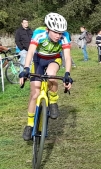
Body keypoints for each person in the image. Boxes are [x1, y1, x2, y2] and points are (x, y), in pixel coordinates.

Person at [19, 12, 73, 141]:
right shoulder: (39, 33)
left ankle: (53, 100)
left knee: (51, 75)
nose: (59, 36)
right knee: (34, 93)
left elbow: (67, 56)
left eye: (61, 33)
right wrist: (26, 69)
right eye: (56, 32)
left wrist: (67, 74)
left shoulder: (65, 36)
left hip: (54, 59)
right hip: (38, 60)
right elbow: (31, 51)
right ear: (48, 29)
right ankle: (30, 124)